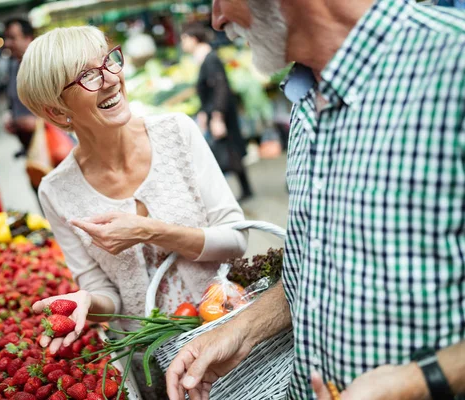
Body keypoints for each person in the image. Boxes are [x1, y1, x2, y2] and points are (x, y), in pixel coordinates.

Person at [166, 0, 465, 399]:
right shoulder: (306, 97)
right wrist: (241, 330)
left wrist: (418, 382)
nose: (217, 20)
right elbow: (317, 271)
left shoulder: (453, 61)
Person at [16, 26, 248, 398]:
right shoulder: (57, 191)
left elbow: (237, 239)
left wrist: (148, 230)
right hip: (155, 363)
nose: (111, 79)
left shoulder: (177, 133)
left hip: (229, 333)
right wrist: (89, 302)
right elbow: (107, 297)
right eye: (88, 75)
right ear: (56, 110)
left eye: (108, 61)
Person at [181, 22, 254, 203]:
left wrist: (217, 116)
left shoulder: (210, 59)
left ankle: (239, 192)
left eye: (184, 39)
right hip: (217, 112)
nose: (183, 44)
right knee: (230, 150)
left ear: (193, 38)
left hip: (222, 113)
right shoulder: (204, 58)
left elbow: (220, 87)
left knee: (229, 151)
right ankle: (244, 190)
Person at [3, 18, 36, 156]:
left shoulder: (43, 67)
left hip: (52, 142)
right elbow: (12, 100)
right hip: (27, 143)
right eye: (6, 38)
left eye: (12, 38)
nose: (7, 43)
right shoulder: (13, 66)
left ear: (28, 38)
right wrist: (10, 115)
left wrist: (39, 123)